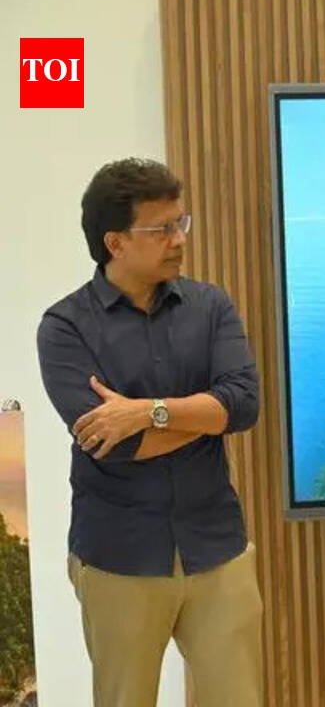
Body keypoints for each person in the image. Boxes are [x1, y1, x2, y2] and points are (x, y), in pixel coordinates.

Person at [36, 158, 264, 706]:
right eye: (161, 229)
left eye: (181, 223)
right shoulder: (65, 327)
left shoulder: (210, 306)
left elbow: (243, 404)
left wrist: (148, 412)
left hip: (217, 547)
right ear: (114, 242)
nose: (179, 239)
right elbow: (111, 445)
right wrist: (201, 415)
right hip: (119, 556)